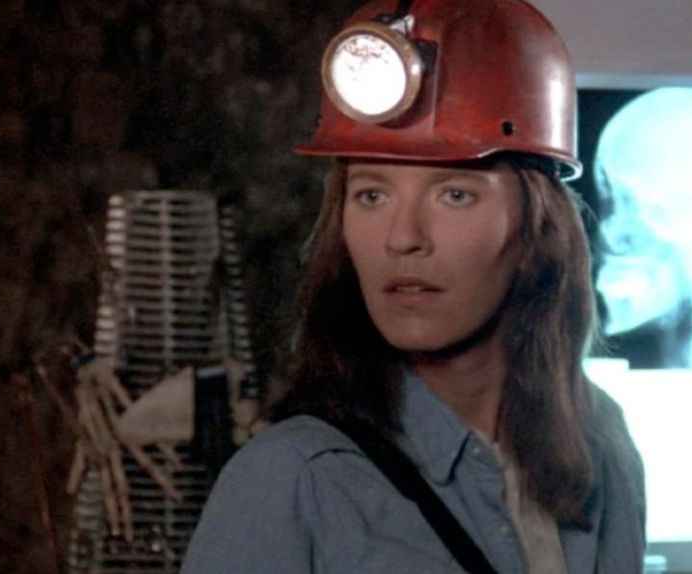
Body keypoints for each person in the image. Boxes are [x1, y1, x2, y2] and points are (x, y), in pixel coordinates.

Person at [182, 0, 646, 572]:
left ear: (537, 230)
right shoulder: (293, 478)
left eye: (454, 194)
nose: (402, 238)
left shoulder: (601, 444)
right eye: (372, 195)